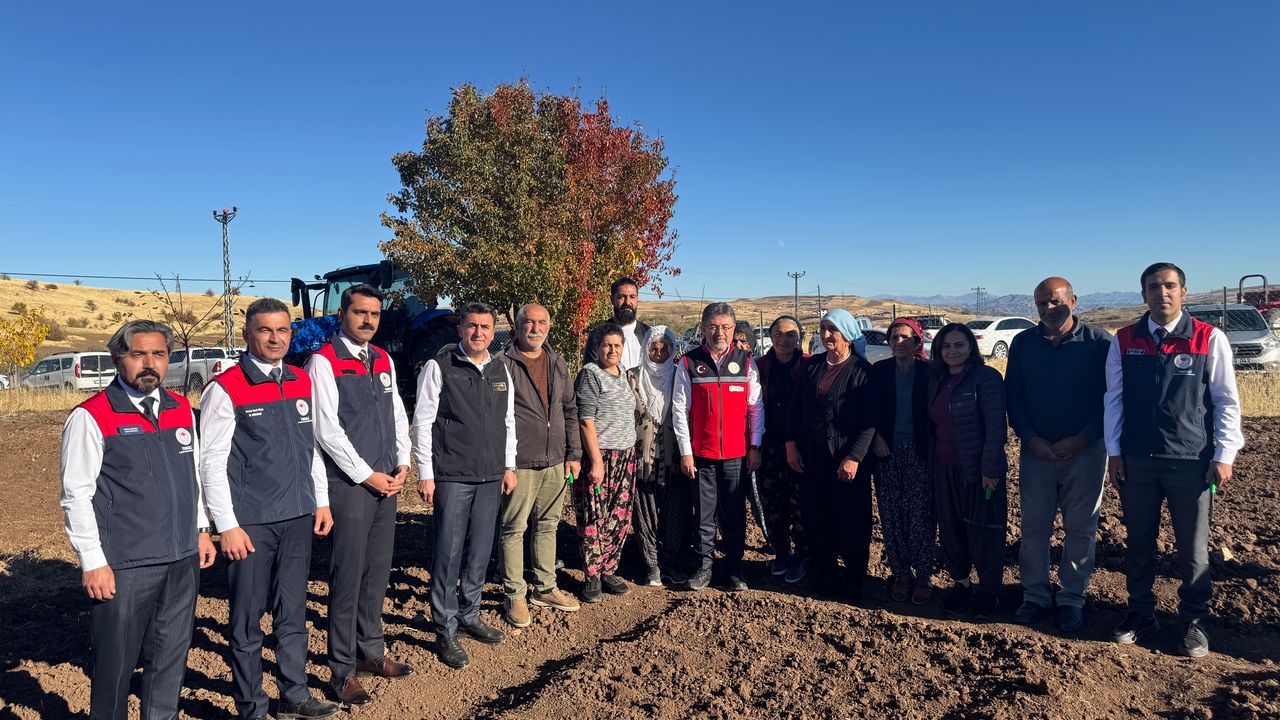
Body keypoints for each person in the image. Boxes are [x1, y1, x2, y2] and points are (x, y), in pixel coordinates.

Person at [60, 320, 216, 720]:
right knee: (116, 668)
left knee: (170, 659)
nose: (150, 363)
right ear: (118, 359)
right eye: (138, 354)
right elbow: (75, 495)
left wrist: (201, 530)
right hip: (126, 565)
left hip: (182, 558)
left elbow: (193, 476)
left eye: (159, 354)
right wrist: (92, 562)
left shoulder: (181, 409)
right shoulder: (91, 417)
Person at [201, 298, 338, 720]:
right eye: (265, 330)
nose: (276, 338)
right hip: (251, 524)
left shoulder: (299, 379)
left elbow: (311, 448)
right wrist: (226, 525)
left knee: (292, 612)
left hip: (297, 517)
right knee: (246, 621)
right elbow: (210, 461)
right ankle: (252, 708)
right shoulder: (225, 389)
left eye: (283, 330)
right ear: (247, 334)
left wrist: (321, 501)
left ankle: (294, 695)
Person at [1104, 262, 1243, 658]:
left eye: (1169, 286)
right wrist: (1114, 452)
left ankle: (1194, 621)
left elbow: (1226, 401)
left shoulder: (1207, 338)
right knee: (1139, 542)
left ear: (1183, 292)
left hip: (1191, 461)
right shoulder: (1124, 339)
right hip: (1137, 460)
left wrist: (1225, 453)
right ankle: (1141, 613)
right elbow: (1113, 400)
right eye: (1153, 287)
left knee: (1192, 547)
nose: (1161, 293)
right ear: (1143, 294)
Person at [306, 284, 414, 706]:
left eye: (374, 314)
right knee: (347, 578)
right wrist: (367, 475)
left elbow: (396, 412)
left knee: (376, 573)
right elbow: (326, 430)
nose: (368, 320)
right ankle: (342, 671)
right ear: (343, 315)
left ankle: (371, 652)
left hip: (388, 483)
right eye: (360, 313)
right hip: (352, 486)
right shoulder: (324, 362)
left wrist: (403, 462)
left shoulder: (383, 359)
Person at [413, 301, 517, 670]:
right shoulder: (439, 367)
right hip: (453, 475)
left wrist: (509, 465)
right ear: (461, 329)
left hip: (490, 475)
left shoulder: (500, 368)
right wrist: (425, 472)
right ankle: (445, 625)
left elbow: (508, 422)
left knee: (480, 550)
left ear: (493, 331)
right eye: (472, 326)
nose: (478, 333)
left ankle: (470, 614)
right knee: (448, 551)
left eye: (485, 327)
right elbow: (422, 421)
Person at [1006, 277, 1112, 632]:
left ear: (1073, 301)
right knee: (1034, 528)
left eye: (1054, 302)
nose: (1048, 310)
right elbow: (1014, 397)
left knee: (1080, 529)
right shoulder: (1023, 344)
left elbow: (1110, 400)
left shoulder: (1099, 344)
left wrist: (1083, 438)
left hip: (1085, 454)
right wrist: (1030, 437)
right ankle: (1035, 595)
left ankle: (1071, 598)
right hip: (1037, 453)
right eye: (1040, 304)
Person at [498, 304, 583, 627]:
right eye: (529, 322)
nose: (535, 328)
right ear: (517, 327)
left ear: (549, 326)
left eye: (541, 322)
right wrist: (504, 463)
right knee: (513, 528)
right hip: (519, 461)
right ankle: (515, 593)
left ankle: (545, 586)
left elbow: (570, 410)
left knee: (548, 525)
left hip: (556, 461)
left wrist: (573, 454)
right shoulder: (503, 364)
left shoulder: (557, 362)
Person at [672, 302, 764, 592]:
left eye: (725, 327)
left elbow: (756, 408)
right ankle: (704, 568)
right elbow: (679, 409)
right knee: (705, 515)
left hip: (737, 455)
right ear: (703, 328)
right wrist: (686, 451)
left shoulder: (746, 362)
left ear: (734, 329)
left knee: (735, 515)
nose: (719, 332)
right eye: (713, 326)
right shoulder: (689, 363)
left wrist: (755, 446)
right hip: (702, 455)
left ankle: (735, 570)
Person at [786, 309, 875, 601]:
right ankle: (826, 576)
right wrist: (791, 444)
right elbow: (795, 409)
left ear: (847, 335)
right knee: (817, 518)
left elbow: (869, 421)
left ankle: (855, 582)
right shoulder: (812, 369)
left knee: (852, 522)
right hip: (813, 459)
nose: (826, 336)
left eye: (832, 330)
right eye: (823, 329)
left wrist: (854, 457)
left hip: (846, 461)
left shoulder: (862, 372)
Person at [926, 322, 1008, 620]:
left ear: (971, 348)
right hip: (944, 468)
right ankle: (961, 584)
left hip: (978, 472)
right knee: (950, 528)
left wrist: (990, 469)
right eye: (946, 346)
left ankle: (988, 593)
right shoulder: (938, 380)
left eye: (959, 345)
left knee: (983, 531)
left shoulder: (985, 379)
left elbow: (996, 428)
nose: (952, 351)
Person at [868, 317, 936, 605]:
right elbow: (868, 408)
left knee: (920, 515)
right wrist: (876, 437)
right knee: (892, 514)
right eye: (893, 337)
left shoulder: (929, 372)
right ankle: (901, 574)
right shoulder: (880, 371)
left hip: (921, 452)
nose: (898, 342)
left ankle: (923, 575)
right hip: (887, 451)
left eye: (904, 337)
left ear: (917, 342)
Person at [574, 323, 640, 602]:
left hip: (625, 455)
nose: (612, 350)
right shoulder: (591, 374)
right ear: (597, 347)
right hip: (599, 457)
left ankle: (609, 569)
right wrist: (596, 461)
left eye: (617, 345)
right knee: (594, 515)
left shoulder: (624, 373)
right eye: (607, 345)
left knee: (618, 516)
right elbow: (585, 419)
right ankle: (592, 575)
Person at [754, 315, 810, 584]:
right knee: (772, 503)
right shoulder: (760, 366)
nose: (784, 339)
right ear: (770, 336)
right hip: (769, 446)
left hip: (800, 447)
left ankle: (802, 556)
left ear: (798, 337)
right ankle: (781, 553)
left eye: (790, 334)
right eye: (778, 334)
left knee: (800, 504)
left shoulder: (809, 366)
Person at [626, 325, 681, 587]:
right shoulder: (633, 377)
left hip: (674, 457)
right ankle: (650, 564)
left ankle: (670, 561)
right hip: (642, 459)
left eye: (664, 348)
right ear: (646, 349)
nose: (659, 353)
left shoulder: (681, 375)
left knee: (674, 510)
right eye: (654, 348)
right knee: (644, 510)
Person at [583, 277, 651, 371]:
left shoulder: (648, 334)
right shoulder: (598, 335)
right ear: (612, 300)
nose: (627, 302)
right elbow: (590, 374)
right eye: (621, 297)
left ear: (637, 300)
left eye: (632, 297)